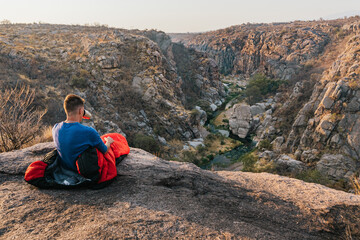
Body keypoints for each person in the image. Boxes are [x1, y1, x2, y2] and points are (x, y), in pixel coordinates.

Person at [52, 94, 114, 171]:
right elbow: (105, 150)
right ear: (81, 111)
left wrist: (80, 113)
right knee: (114, 138)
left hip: (64, 169)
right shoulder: (89, 132)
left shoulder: (55, 128)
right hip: (80, 171)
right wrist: (108, 142)